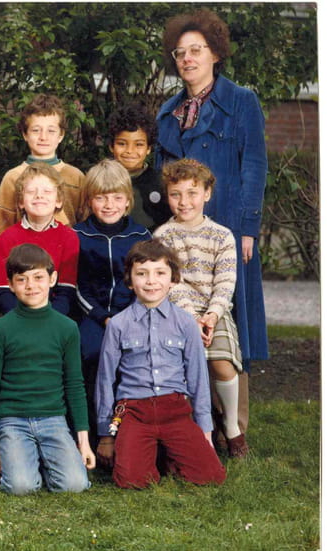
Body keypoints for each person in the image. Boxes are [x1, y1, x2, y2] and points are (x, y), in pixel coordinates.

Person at [156, 9, 269, 438]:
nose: (187, 59)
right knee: (183, 314)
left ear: (215, 53)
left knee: (232, 314)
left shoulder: (241, 101)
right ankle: (192, 422)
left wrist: (248, 228)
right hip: (182, 233)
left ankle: (233, 426)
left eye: (196, 50)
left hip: (228, 226)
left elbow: (254, 165)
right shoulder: (169, 111)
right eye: (180, 53)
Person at [95, 239, 226, 489]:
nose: (151, 281)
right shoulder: (118, 324)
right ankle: (151, 454)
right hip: (133, 410)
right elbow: (105, 380)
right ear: (130, 281)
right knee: (131, 480)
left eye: (160, 273)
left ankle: (167, 453)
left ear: (173, 280)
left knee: (211, 476)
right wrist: (106, 435)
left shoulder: (186, 323)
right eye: (142, 274)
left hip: (174, 409)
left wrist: (205, 432)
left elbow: (198, 379)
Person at [0, 243, 94, 495]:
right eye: (22, 279)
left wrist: (83, 442)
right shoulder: (1, 328)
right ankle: (27, 460)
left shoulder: (67, 328)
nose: (31, 286)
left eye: (38, 277)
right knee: (20, 486)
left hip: (53, 419)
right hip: (13, 420)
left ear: (53, 279)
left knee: (74, 485)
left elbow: (75, 384)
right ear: (10, 285)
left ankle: (45, 459)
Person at [154, 159, 249, 457]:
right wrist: (192, 318)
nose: (184, 202)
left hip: (214, 311)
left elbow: (226, 280)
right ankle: (191, 431)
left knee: (222, 363)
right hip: (177, 313)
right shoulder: (163, 236)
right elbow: (171, 283)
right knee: (179, 368)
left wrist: (212, 315)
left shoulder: (222, 236)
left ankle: (231, 426)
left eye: (192, 193)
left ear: (207, 194)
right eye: (176, 194)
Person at [72, 159, 151, 437]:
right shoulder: (78, 235)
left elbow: (145, 284)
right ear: (89, 200)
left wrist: (125, 317)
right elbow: (77, 285)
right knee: (90, 353)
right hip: (92, 317)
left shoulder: (140, 235)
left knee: (135, 355)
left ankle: (131, 429)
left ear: (128, 200)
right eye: (101, 198)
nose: (109, 205)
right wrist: (102, 317)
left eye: (117, 198)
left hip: (132, 315)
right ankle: (94, 431)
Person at [0, 162, 79, 316]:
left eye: (47, 191)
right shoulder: (7, 238)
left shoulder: (68, 237)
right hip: (17, 315)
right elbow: (0, 290)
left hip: (54, 316)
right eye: (31, 191)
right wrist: (25, 317)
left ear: (58, 201)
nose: (39, 195)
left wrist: (47, 319)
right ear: (21, 202)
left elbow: (67, 290)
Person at [0, 94, 84, 233]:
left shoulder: (75, 177)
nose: (43, 137)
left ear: (61, 135)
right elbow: (1, 228)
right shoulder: (13, 177)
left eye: (51, 131)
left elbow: (85, 224)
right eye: (36, 130)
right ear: (25, 134)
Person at [107, 103, 172, 231]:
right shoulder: (100, 180)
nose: (130, 151)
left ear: (149, 148)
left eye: (139, 145)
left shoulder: (161, 182)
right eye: (122, 144)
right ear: (111, 146)